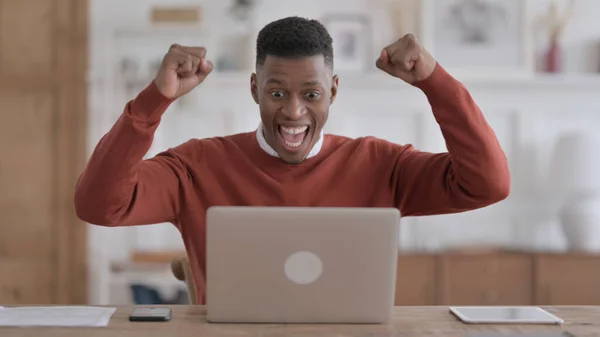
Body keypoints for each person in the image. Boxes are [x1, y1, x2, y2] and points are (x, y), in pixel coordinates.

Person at [74, 16, 510, 304]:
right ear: (254, 89)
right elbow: (98, 205)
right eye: (277, 92)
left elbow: (487, 183)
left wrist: (436, 83)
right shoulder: (197, 166)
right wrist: (155, 100)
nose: (294, 113)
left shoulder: (379, 163)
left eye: (312, 94)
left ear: (333, 91)